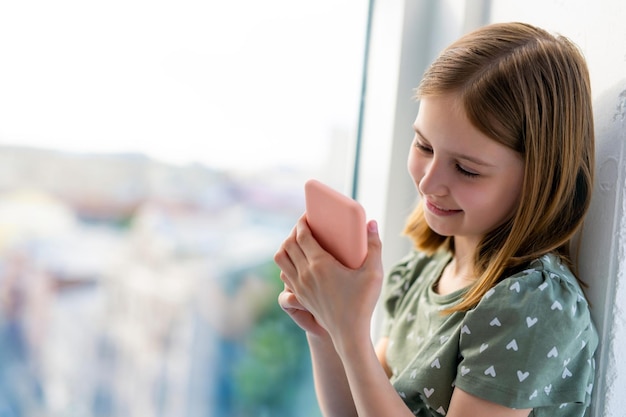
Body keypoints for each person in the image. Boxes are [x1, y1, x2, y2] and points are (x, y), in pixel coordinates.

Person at [274, 21, 598, 417]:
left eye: (466, 169)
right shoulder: (420, 273)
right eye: (424, 145)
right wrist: (326, 333)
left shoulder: (533, 306)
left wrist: (351, 334)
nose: (429, 182)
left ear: (540, 177)